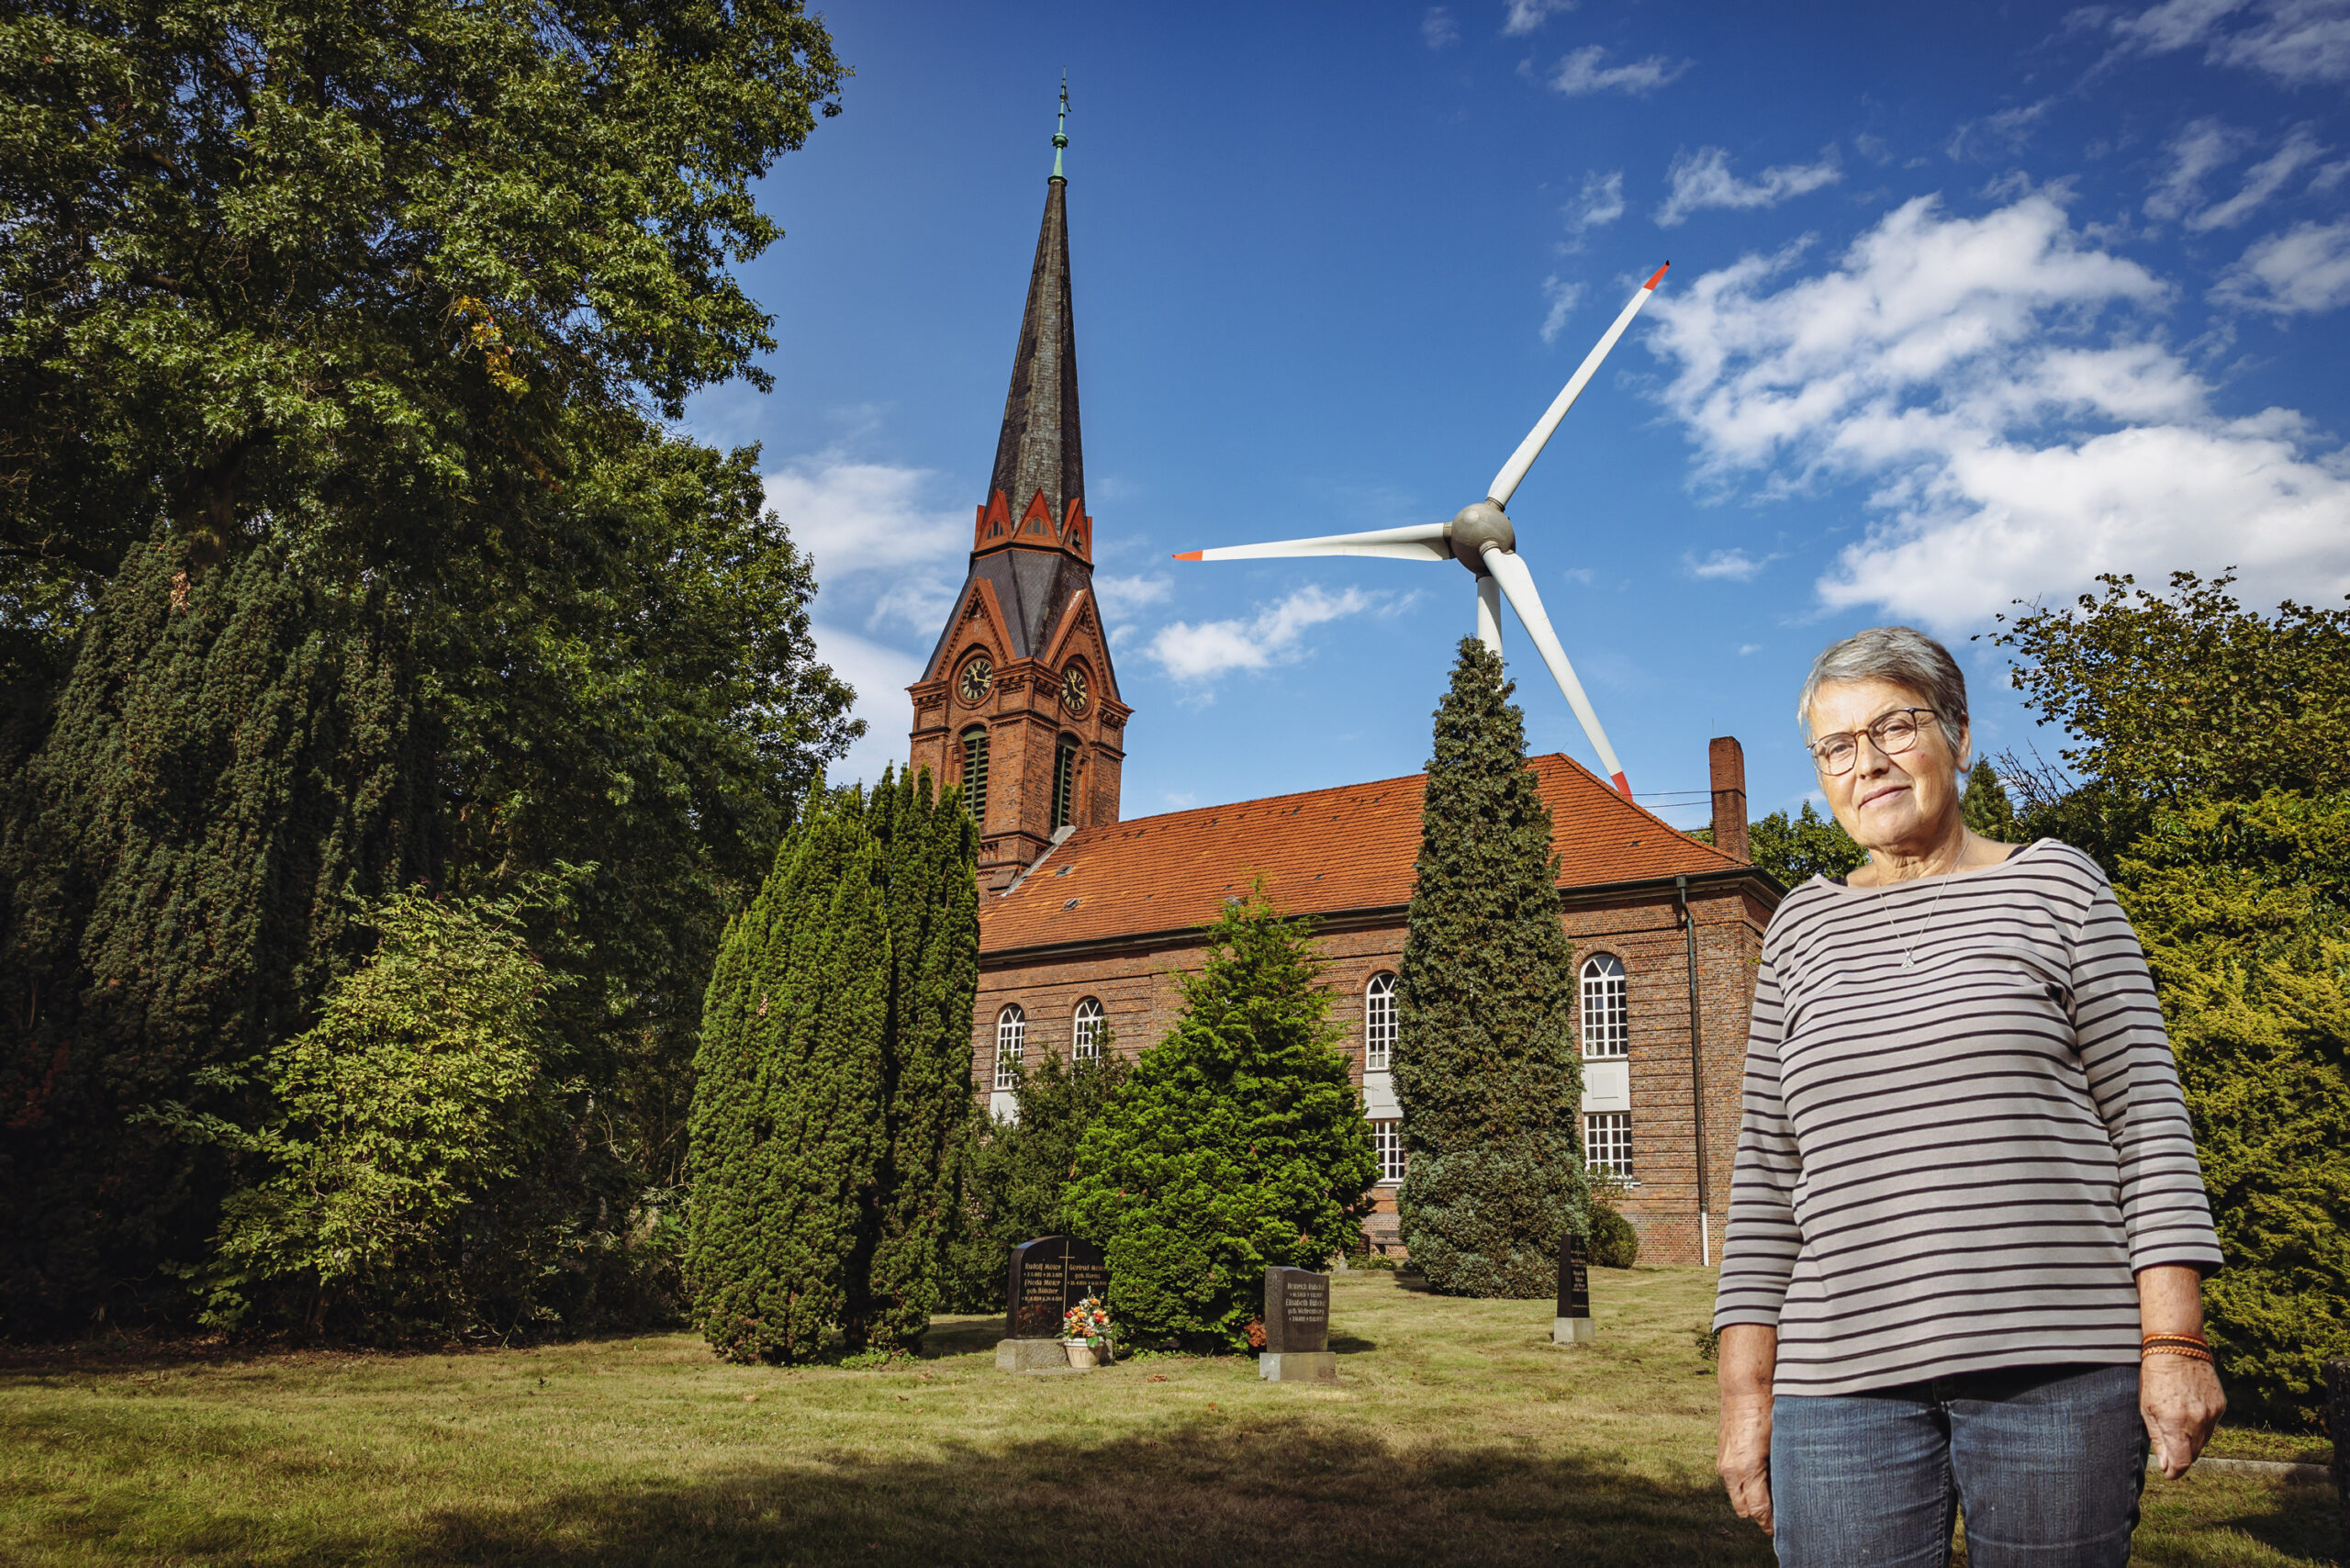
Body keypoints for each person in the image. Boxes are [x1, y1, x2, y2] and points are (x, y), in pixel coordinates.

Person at [1712, 625, 2225, 1566]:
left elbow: (2149, 1126)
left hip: (2058, 1374)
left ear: (1958, 733)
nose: (1865, 763)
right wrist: (1746, 1398)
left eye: (1894, 727)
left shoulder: (2058, 887)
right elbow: (1762, 1181)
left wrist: (2175, 1342)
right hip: (1838, 1388)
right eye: (1835, 746)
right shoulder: (1799, 927)